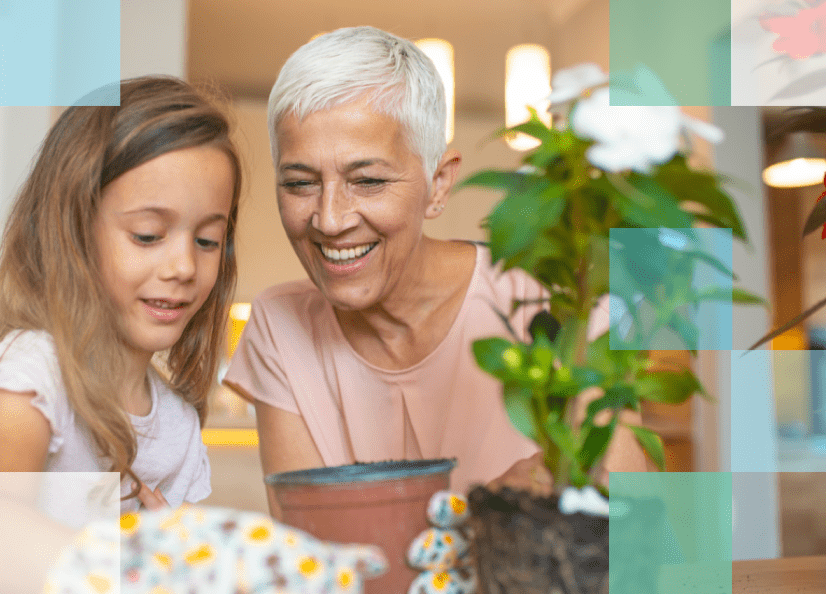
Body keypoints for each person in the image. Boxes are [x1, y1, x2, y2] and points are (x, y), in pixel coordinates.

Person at [223, 26, 646, 519]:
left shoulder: (554, 295)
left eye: (368, 181)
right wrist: (488, 515)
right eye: (299, 183)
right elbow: (313, 552)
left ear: (439, 184)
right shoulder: (280, 327)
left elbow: (637, 523)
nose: (330, 219)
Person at [0, 76, 243, 594]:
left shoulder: (176, 428)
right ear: (73, 231)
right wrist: (132, 572)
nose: (183, 265)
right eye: (148, 235)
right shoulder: (36, 370)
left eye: (207, 240)